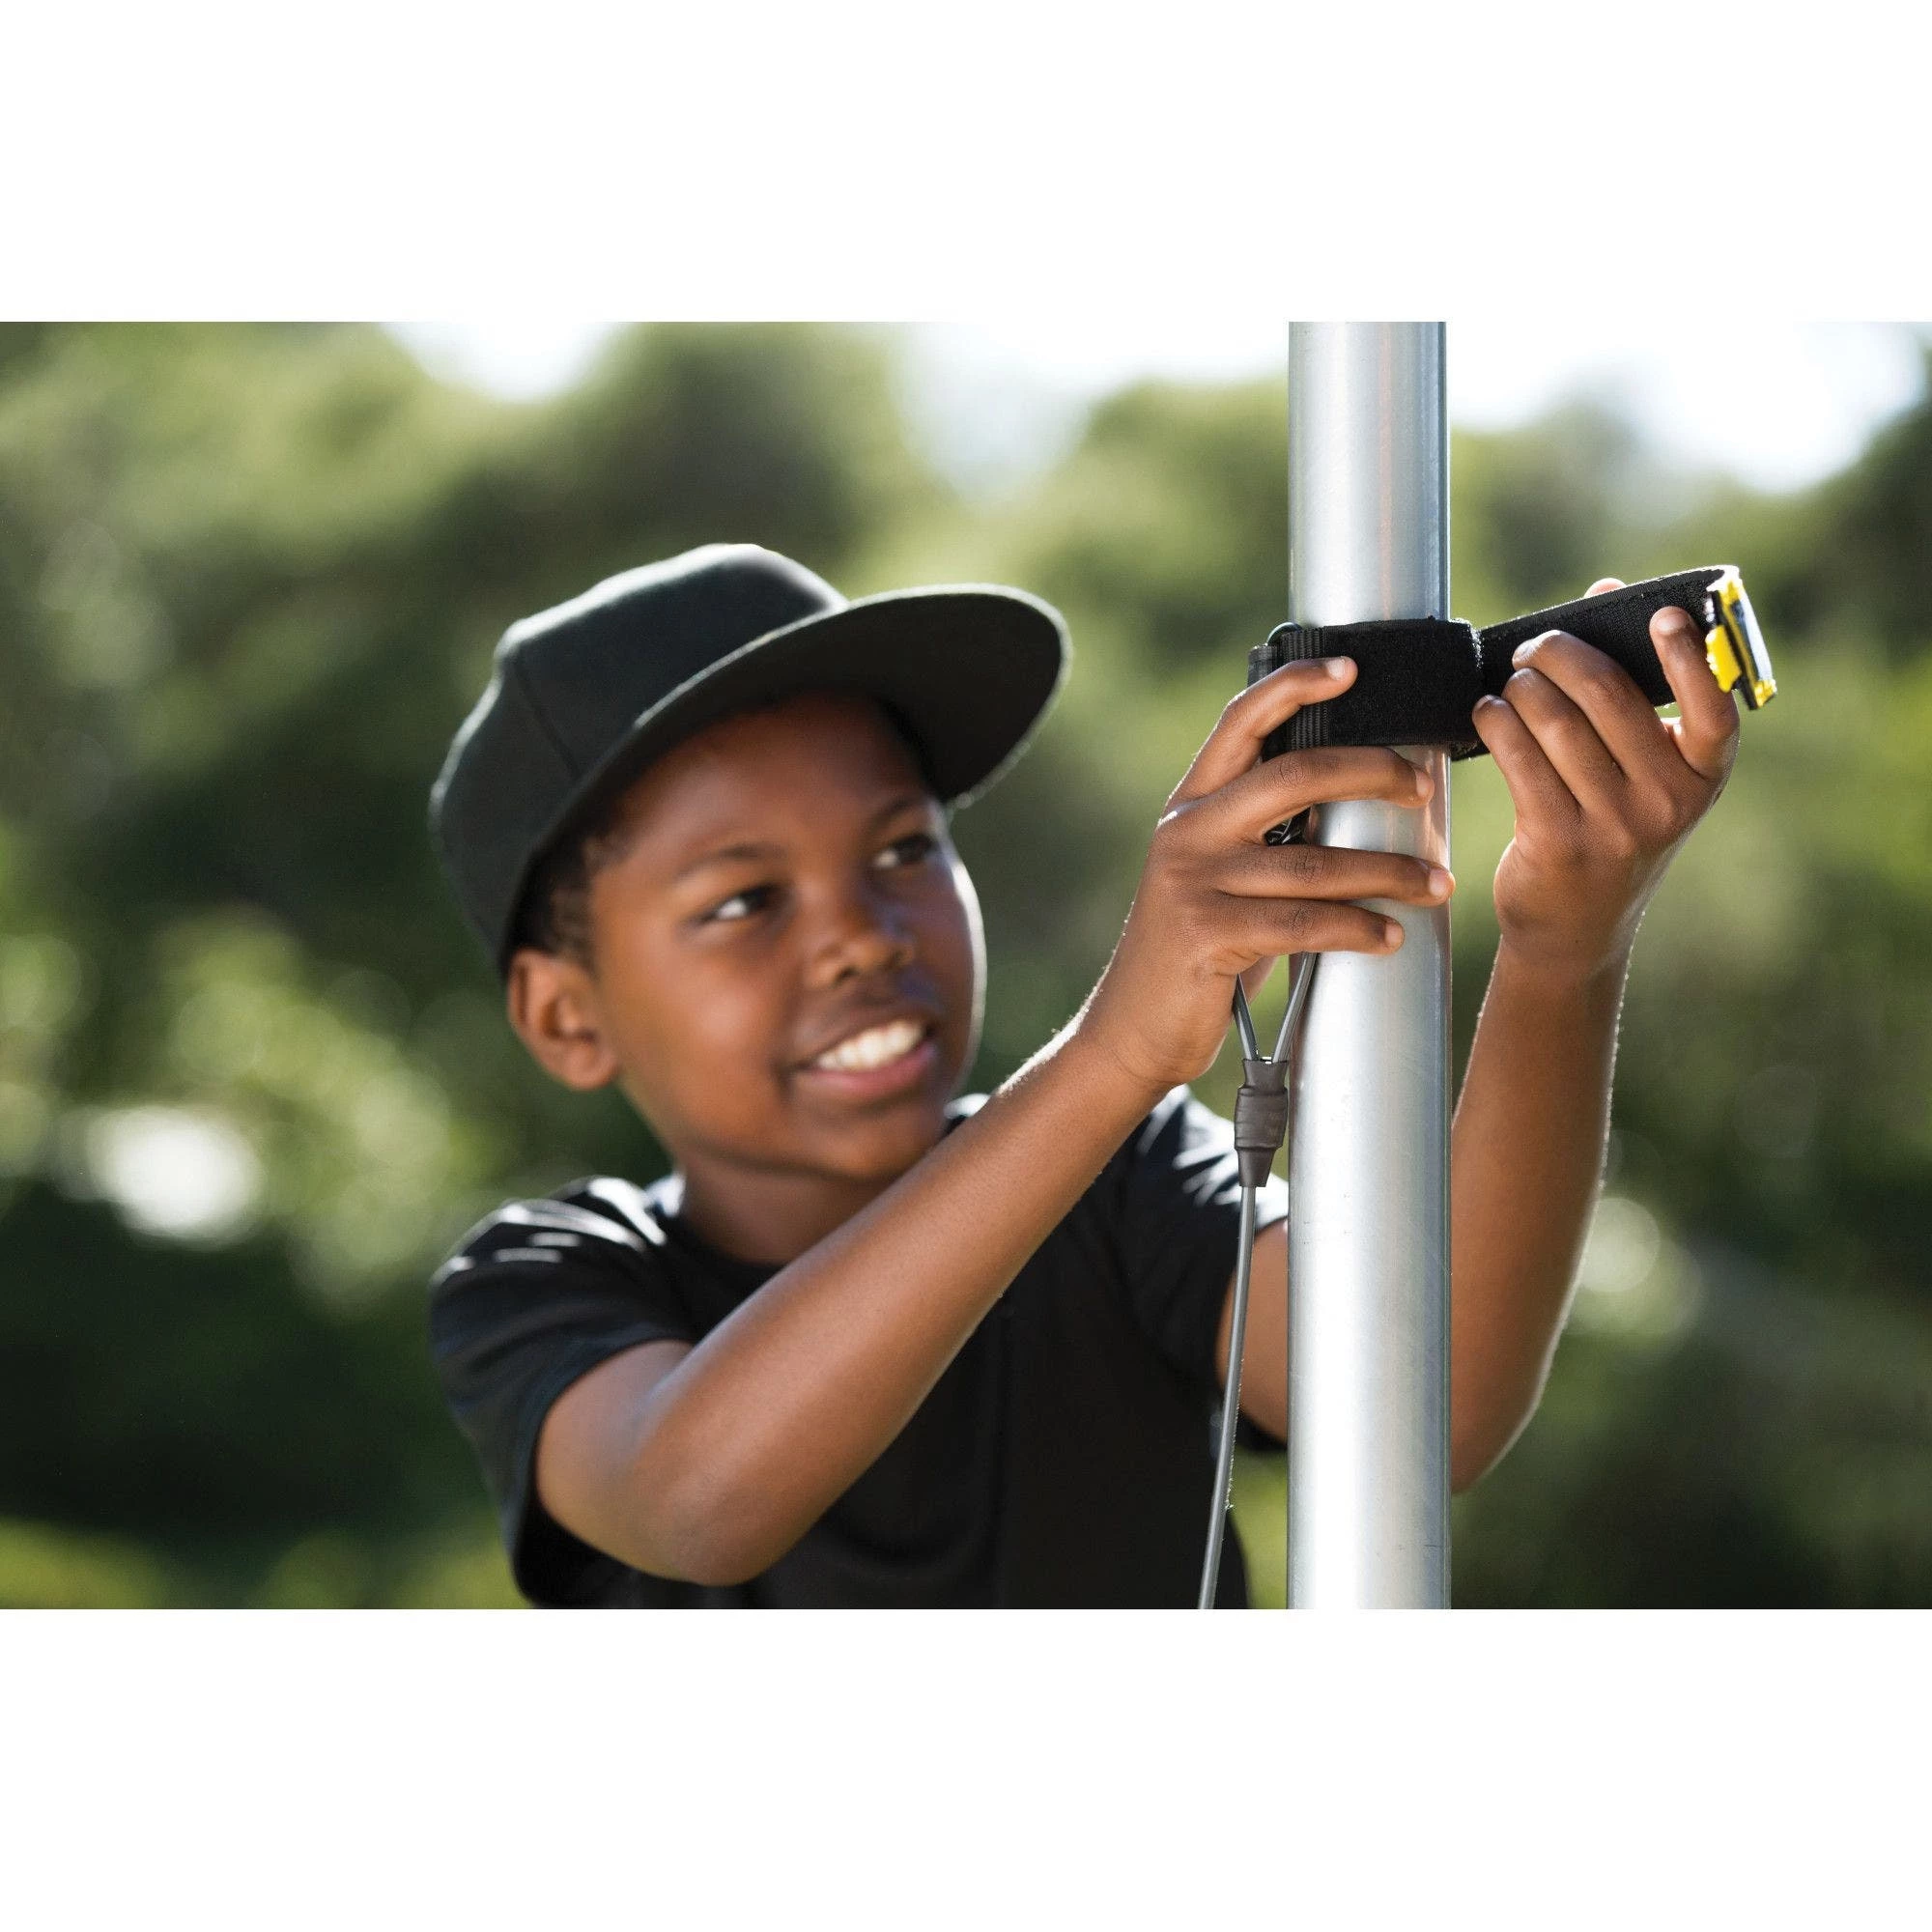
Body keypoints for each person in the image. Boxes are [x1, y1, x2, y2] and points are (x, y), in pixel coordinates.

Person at [425, 542, 1739, 1607]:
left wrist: (1563, 956)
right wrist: (1115, 1050)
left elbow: (1428, 1409)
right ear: (566, 1017)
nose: (860, 938)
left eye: (901, 851)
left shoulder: (1125, 1185)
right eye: (742, 901)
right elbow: (697, 1501)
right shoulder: (547, 1280)